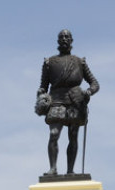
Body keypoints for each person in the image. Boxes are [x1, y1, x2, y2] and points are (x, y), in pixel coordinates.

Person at [37, 29, 100, 176]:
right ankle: (53, 168)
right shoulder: (49, 62)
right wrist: (41, 94)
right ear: (58, 40)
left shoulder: (80, 62)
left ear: (71, 40)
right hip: (56, 100)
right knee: (54, 134)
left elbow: (94, 83)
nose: (64, 39)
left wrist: (89, 92)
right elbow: (43, 85)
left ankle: (70, 170)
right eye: (62, 37)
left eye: (67, 37)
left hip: (75, 101)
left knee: (73, 135)